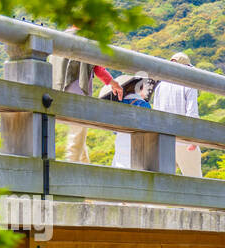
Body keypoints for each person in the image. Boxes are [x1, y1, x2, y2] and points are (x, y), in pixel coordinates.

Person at [50, 26, 117, 163]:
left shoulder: (58, 38)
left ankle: (85, 167)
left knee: (80, 134)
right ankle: (72, 168)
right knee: (77, 133)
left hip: (56, 90)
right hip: (78, 91)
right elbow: (97, 67)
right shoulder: (87, 39)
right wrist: (112, 83)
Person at [151, 52, 202, 178]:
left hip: (164, 139)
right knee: (195, 182)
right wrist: (194, 139)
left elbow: (156, 113)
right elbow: (191, 113)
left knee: (165, 181)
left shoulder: (160, 85)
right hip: (184, 139)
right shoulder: (189, 84)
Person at [111, 74, 156, 169]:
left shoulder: (119, 105)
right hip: (139, 145)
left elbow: (114, 130)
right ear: (140, 88)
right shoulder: (145, 105)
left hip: (121, 143)